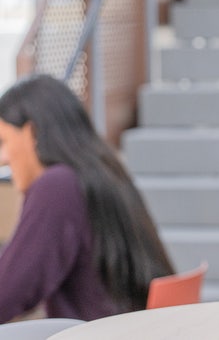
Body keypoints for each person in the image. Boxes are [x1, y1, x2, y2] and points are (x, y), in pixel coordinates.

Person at [0, 74, 174, 323]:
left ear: (32, 132)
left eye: (3, 141)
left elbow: (7, 293)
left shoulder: (57, 185)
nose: (3, 157)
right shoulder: (105, 170)